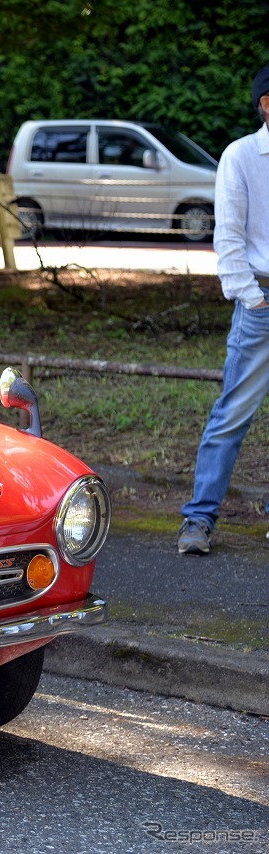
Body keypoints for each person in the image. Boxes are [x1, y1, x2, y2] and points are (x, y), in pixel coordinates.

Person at [177, 62, 269, 555]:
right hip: (262, 302)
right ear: (266, 104)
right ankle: (198, 520)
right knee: (233, 413)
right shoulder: (241, 156)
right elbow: (228, 239)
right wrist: (253, 297)